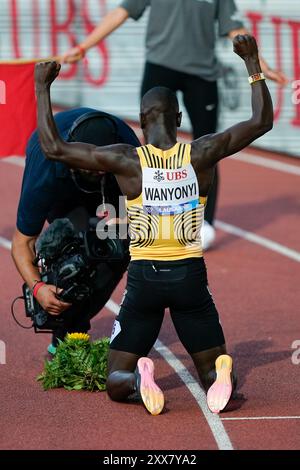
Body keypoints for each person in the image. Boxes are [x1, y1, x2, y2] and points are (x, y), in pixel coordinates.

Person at [35, 34, 273, 414]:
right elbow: (261, 121)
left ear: (142, 120)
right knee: (210, 371)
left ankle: (138, 374)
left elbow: (54, 148)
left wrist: (42, 86)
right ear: (178, 119)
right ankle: (219, 371)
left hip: (145, 279)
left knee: (116, 380)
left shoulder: (127, 159)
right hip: (190, 278)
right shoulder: (202, 152)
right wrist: (252, 62)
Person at [61, 0, 287, 250]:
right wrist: (84, 46)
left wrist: (263, 67)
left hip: (202, 74)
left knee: (210, 147)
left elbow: (236, 30)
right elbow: (121, 12)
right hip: (160, 67)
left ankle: (204, 224)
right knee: (150, 151)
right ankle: (147, 215)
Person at [11, 107, 140, 355]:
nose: (95, 169)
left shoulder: (129, 156)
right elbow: (22, 243)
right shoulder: (47, 166)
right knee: (69, 251)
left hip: (114, 185)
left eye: (100, 165)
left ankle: (79, 321)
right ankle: (66, 331)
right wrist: (37, 288)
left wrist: (126, 227)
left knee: (116, 248)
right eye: (89, 165)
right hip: (64, 187)